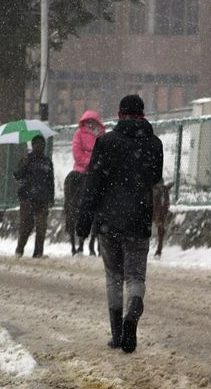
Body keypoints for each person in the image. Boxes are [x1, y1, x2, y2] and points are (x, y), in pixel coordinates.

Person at [76, 94, 163, 353]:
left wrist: (84, 220)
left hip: (108, 221)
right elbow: (155, 177)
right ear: (142, 114)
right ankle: (132, 313)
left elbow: (93, 184)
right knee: (135, 276)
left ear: (119, 113)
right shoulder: (154, 144)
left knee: (114, 276)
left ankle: (117, 334)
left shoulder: (106, 142)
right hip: (138, 219)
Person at [64, 110, 105, 255]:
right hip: (82, 169)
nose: (90, 124)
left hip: (97, 170)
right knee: (74, 182)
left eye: (93, 122)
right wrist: (88, 163)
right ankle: (72, 206)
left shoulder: (101, 137)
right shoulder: (79, 134)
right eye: (88, 122)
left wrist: (99, 164)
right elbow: (77, 152)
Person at [13, 134, 55, 258]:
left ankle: (38, 252)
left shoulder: (47, 162)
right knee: (26, 226)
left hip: (42, 199)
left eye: (42, 144)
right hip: (27, 198)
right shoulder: (26, 159)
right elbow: (17, 175)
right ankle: (20, 248)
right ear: (32, 145)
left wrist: (51, 198)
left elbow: (50, 181)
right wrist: (24, 165)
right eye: (37, 144)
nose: (40, 146)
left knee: (41, 227)